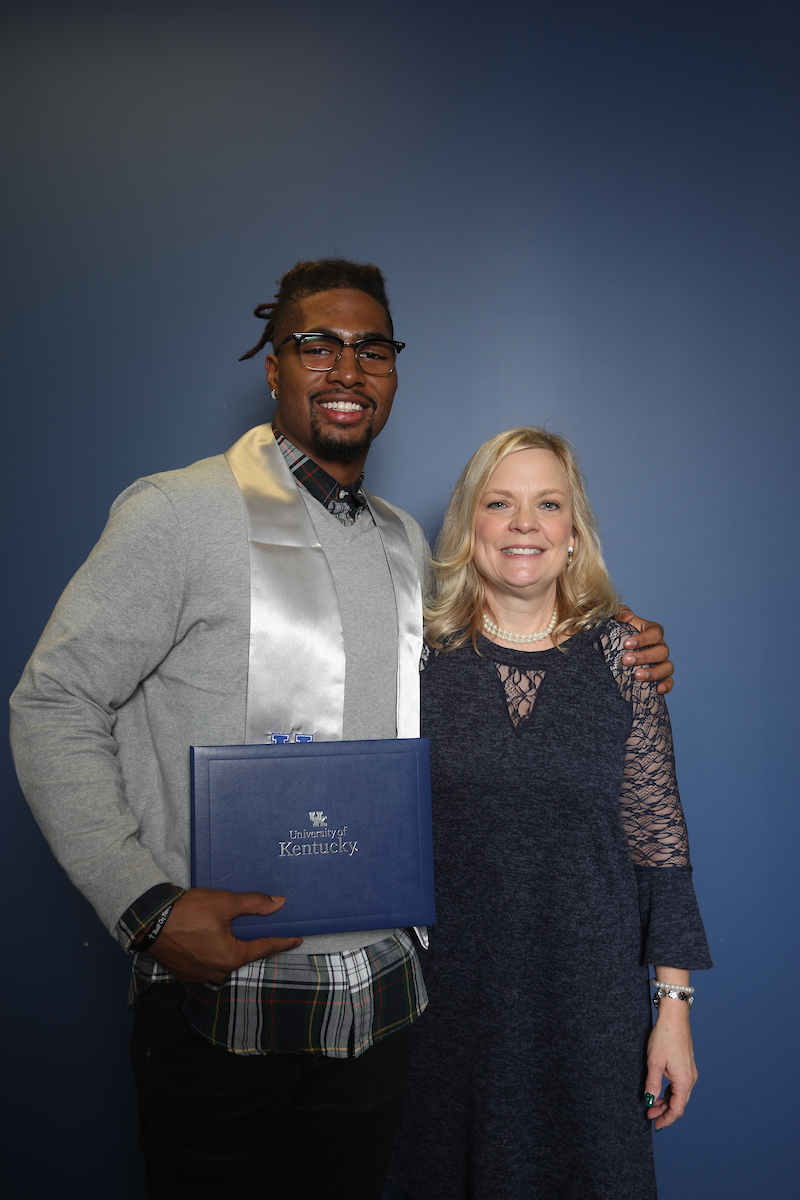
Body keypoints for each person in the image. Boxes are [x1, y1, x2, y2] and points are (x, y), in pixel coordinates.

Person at [9, 264, 673, 1199]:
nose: (345, 369)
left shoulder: (407, 546)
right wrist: (144, 905)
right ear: (272, 366)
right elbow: (53, 703)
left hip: (387, 1008)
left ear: (394, 374)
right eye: (315, 345)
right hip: (225, 997)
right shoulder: (178, 513)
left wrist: (622, 642)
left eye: (372, 349)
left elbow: (514, 638)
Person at [389, 427, 711, 1200]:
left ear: (574, 533)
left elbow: (659, 848)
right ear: (471, 530)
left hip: (589, 1009)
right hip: (445, 1012)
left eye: (547, 504)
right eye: (499, 504)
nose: (524, 522)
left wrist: (673, 1010)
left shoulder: (625, 661)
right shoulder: (416, 663)